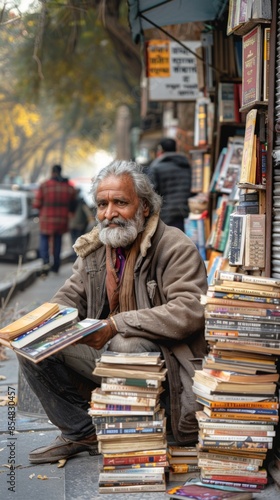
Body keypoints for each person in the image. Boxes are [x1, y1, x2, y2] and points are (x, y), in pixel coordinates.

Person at [18, 160, 208, 464]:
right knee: (33, 344)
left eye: (120, 202)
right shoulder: (96, 249)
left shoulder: (174, 245)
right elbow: (69, 295)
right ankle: (82, 431)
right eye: (102, 204)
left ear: (144, 207)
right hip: (106, 350)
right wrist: (37, 323)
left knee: (125, 343)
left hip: (165, 364)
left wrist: (116, 324)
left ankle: (135, 435)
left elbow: (189, 310)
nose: (109, 213)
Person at [33, 164, 76, 273]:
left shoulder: (44, 185)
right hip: (61, 220)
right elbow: (73, 203)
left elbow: (37, 204)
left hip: (46, 219)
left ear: (52, 172)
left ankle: (45, 263)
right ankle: (56, 266)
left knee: (44, 240)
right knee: (58, 241)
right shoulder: (68, 187)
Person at [148, 137, 192, 231]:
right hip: (186, 213)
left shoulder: (156, 168)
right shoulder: (185, 165)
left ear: (161, 150)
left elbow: (152, 193)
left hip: (167, 216)